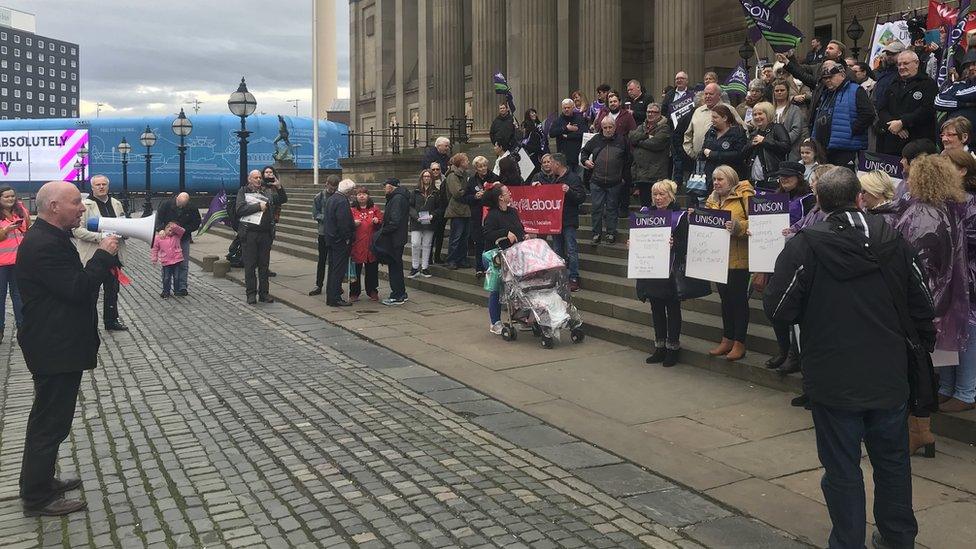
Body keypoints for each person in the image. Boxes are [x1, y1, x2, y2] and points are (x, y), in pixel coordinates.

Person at [763, 167, 935, 549]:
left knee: (842, 467)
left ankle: (849, 541)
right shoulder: (894, 238)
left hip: (834, 373)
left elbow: (777, 308)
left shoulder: (805, 244)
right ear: (859, 198)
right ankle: (897, 537)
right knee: (892, 462)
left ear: (820, 202)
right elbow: (923, 302)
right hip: (886, 371)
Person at [16, 181, 121, 516]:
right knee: (50, 424)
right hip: (54, 346)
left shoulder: (51, 237)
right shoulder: (44, 244)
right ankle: (36, 497)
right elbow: (78, 289)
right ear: (53, 207)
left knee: (50, 420)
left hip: (55, 343)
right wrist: (103, 254)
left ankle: (41, 482)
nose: (82, 207)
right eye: (76, 202)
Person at [896, 155, 970, 424]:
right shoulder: (947, 208)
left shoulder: (926, 215)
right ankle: (936, 401)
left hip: (927, 291)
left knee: (924, 357)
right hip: (943, 288)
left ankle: (922, 422)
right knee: (936, 350)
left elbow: (919, 261)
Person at [763, 161, 814, 372]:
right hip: (774, 257)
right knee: (775, 307)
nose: (783, 179)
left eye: (788, 176)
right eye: (781, 176)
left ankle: (795, 355)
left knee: (793, 309)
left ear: (799, 177)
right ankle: (784, 351)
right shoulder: (776, 198)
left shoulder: (808, 200)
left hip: (797, 259)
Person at [704, 166, 755, 362]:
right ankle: (727, 338)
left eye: (720, 179)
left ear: (731, 180)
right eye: (714, 179)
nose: (716, 183)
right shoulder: (712, 200)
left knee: (738, 302)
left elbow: (760, 222)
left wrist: (738, 226)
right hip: (719, 260)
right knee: (725, 301)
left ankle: (739, 343)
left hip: (739, 259)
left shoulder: (745, 196)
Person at [635, 180, 688, 367]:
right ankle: (660, 346)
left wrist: (676, 244)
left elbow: (686, 246)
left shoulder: (680, 216)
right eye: (655, 194)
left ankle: (673, 347)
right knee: (656, 308)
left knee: (672, 310)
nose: (657, 198)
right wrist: (632, 244)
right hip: (651, 269)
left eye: (662, 194)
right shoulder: (644, 214)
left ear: (671, 195)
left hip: (671, 271)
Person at [943, 148, 976, 412]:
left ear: (963, 170)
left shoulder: (971, 202)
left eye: (948, 164)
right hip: (948, 273)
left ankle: (966, 392)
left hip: (969, 276)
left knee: (968, 331)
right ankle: (946, 385)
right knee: (945, 327)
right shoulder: (945, 199)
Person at [72, 174, 128, 331]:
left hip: (113, 256)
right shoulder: (85, 205)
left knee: (112, 291)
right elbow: (77, 230)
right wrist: (100, 237)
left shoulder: (116, 204)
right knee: (91, 291)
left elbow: (123, 224)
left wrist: (126, 232)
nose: (101, 187)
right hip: (94, 256)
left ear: (108, 186)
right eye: (98, 185)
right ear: (92, 187)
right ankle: (88, 321)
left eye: (104, 184)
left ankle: (111, 321)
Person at [809, 61, 875, 169]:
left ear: (842, 75)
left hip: (845, 149)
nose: (827, 81)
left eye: (830, 77)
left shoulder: (855, 90)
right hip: (823, 148)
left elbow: (869, 114)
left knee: (843, 181)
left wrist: (851, 130)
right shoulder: (826, 93)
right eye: (825, 78)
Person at [236, 169, 287, 304]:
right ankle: (251, 294)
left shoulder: (267, 192)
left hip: (265, 234)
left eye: (259, 177)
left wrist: (278, 186)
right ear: (249, 179)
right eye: (255, 178)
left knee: (264, 266)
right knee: (250, 266)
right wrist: (258, 207)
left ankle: (264, 294)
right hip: (249, 233)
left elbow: (282, 199)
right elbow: (240, 210)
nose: (258, 180)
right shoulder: (243, 191)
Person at [875, 50, 938, 156]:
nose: (901, 67)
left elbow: (927, 109)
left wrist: (903, 122)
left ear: (916, 63)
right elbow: (882, 108)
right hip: (892, 142)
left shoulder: (928, 83)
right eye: (899, 64)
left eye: (905, 63)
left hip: (918, 142)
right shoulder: (892, 84)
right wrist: (894, 125)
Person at [580, 117, 632, 244]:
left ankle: (611, 233)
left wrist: (624, 178)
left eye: (610, 127)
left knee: (612, 208)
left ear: (615, 127)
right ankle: (596, 233)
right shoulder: (595, 139)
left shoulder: (622, 140)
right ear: (601, 128)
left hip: (615, 182)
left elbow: (629, 160)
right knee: (596, 208)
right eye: (605, 128)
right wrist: (585, 161)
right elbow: (584, 152)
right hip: (597, 181)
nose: (608, 130)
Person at [483, 185, 526, 334]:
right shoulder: (492, 215)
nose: (509, 193)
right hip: (495, 256)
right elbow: (487, 234)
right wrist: (504, 232)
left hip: (514, 254)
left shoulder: (513, 212)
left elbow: (520, 229)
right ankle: (495, 322)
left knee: (520, 286)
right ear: (501, 197)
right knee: (496, 289)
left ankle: (522, 316)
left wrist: (525, 235)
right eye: (507, 192)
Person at [683, 83, 744, 178]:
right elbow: (688, 134)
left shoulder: (728, 109)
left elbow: (742, 130)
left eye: (710, 94)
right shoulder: (698, 111)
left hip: (725, 166)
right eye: (705, 94)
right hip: (701, 163)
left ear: (719, 95)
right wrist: (692, 153)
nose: (707, 96)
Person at [545, 153, 586, 292]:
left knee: (571, 249)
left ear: (557, 164)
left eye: (551, 162)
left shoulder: (573, 178)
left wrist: (569, 191)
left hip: (568, 220)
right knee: (557, 250)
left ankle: (573, 277)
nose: (549, 165)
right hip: (556, 220)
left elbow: (581, 197)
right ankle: (560, 276)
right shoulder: (554, 179)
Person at [153, 191, 201, 296]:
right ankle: (166, 288)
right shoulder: (166, 205)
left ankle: (181, 287)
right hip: (167, 238)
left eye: (184, 204)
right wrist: (161, 229)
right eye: (180, 203)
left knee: (183, 264)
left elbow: (196, 222)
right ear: (177, 198)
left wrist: (184, 230)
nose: (181, 206)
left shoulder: (191, 207)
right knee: (167, 263)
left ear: (187, 202)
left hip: (183, 238)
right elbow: (158, 218)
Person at [0, 185, 29, 343]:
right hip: (1, 263)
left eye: (12, 196)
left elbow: (28, 231)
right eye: (6, 196)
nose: (10, 199)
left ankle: (23, 328)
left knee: (19, 296)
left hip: (18, 261)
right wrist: (5, 231)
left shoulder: (21, 211)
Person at [629, 103, 672, 207]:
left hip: (656, 174)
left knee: (657, 205)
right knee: (645, 206)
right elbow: (631, 136)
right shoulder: (642, 126)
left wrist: (639, 142)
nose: (650, 114)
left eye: (654, 112)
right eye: (648, 111)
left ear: (659, 113)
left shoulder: (664, 128)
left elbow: (656, 144)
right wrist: (647, 136)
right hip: (641, 175)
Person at [743, 101, 791, 191]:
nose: (757, 117)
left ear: (768, 114)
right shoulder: (754, 133)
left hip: (773, 178)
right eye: (755, 114)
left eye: (760, 114)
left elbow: (786, 146)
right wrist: (751, 145)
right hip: (754, 181)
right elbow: (743, 154)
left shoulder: (777, 128)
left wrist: (764, 141)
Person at [464, 156, 499, 276]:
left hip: (491, 215)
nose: (483, 168)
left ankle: (491, 267)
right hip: (477, 215)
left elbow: (500, 194)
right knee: (479, 243)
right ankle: (479, 268)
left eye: (485, 165)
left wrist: (487, 195)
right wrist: (475, 196)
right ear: (476, 168)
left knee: (492, 242)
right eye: (480, 166)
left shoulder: (494, 178)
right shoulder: (472, 180)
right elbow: (465, 198)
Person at [323, 179, 356, 307]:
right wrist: (347, 237)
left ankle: (331, 296)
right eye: (352, 190)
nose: (353, 193)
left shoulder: (332, 198)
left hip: (331, 239)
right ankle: (335, 297)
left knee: (332, 269)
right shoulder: (342, 201)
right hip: (339, 241)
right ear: (348, 191)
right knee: (338, 270)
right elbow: (343, 223)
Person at [380, 177, 412, 305]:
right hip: (397, 237)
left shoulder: (397, 198)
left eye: (385, 185)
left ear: (391, 186)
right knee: (396, 265)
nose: (383, 188)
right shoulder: (398, 197)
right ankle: (401, 293)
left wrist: (382, 231)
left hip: (395, 238)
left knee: (394, 267)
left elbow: (395, 221)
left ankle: (397, 295)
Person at [700, 104, 747, 186]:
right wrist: (703, 152)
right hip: (711, 177)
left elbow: (739, 154)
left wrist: (713, 155)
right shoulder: (711, 132)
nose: (712, 120)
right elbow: (704, 148)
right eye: (712, 117)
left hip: (730, 177)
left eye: (715, 117)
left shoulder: (737, 133)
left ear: (725, 118)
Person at [349, 186, 382, 301]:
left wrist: (377, 221)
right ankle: (354, 293)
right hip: (357, 245)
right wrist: (353, 224)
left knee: (372, 270)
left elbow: (381, 222)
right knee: (355, 271)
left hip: (371, 245)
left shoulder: (375, 209)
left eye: (364, 194)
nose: (361, 196)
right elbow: (346, 224)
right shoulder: (352, 210)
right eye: (359, 194)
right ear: (356, 197)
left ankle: (372, 291)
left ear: (368, 196)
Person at [309, 174, 340, 296]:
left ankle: (334, 284)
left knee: (335, 261)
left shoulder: (339, 197)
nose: (332, 190)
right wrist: (327, 218)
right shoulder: (319, 197)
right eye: (330, 188)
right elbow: (314, 214)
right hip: (323, 232)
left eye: (334, 188)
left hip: (336, 233)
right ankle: (319, 284)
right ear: (326, 184)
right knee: (322, 260)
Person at [663, 71, 696, 182]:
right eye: (677, 78)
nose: (679, 80)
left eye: (682, 78)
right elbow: (664, 111)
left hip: (689, 130)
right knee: (676, 157)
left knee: (687, 155)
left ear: (686, 81)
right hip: (674, 131)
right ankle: (677, 182)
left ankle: (689, 181)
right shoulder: (669, 95)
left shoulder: (693, 94)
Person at [409, 170, 440, 278]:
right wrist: (415, 216)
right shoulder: (415, 191)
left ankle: (425, 267)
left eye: (428, 176)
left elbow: (439, 208)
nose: (426, 178)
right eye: (424, 176)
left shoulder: (436, 192)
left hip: (429, 221)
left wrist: (433, 215)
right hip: (416, 221)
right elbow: (410, 206)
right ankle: (414, 267)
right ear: (421, 178)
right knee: (415, 243)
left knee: (427, 244)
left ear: (431, 178)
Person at [936, 49, 976, 131]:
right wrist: (966, 104)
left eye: (975, 64)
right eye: (968, 65)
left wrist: (953, 96)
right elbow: (938, 101)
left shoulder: (958, 87)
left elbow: (960, 94)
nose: (971, 68)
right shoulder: (960, 84)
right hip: (952, 136)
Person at [444, 153, 472, 269]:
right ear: (461, 163)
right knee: (456, 237)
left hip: (465, 209)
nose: (468, 162)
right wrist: (469, 191)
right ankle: (451, 259)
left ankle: (461, 259)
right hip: (456, 209)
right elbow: (457, 193)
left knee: (464, 237)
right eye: (466, 161)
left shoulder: (464, 174)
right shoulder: (452, 176)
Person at [771, 79, 806, 160]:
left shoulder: (795, 109)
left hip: (791, 151)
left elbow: (796, 131)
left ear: (787, 92)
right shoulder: (769, 109)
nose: (779, 92)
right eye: (777, 90)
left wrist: (782, 142)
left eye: (782, 90)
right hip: (772, 152)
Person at [550, 99, 587, 173]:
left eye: (568, 107)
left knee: (578, 180)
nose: (566, 109)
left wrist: (567, 136)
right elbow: (552, 134)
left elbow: (583, 133)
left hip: (578, 155)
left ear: (573, 107)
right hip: (564, 157)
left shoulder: (580, 119)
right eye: (564, 108)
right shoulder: (557, 121)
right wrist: (565, 128)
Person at [150, 222, 185, 298]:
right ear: (164, 229)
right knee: (166, 277)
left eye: (172, 230)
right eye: (168, 228)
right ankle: (166, 291)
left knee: (177, 276)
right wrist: (154, 258)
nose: (170, 230)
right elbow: (155, 249)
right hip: (166, 261)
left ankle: (177, 290)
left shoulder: (177, 236)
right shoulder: (159, 237)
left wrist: (174, 227)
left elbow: (182, 231)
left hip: (177, 260)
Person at [430, 162, 449, 264]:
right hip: (431, 212)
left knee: (440, 235)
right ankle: (428, 257)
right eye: (433, 170)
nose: (435, 171)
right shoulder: (427, 181)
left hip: (442, 212)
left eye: (437, 169)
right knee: (431, 236)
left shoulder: (444, 181)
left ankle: (437, 256)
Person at [520, 108, 548, 177]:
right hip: (531, 153)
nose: (534, 114)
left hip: (540, 151)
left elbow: (543, 137)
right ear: (528, 115)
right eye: (532, 113)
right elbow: (525, 139)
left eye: (534, 112)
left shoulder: (539, 125)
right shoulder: (526, 125)